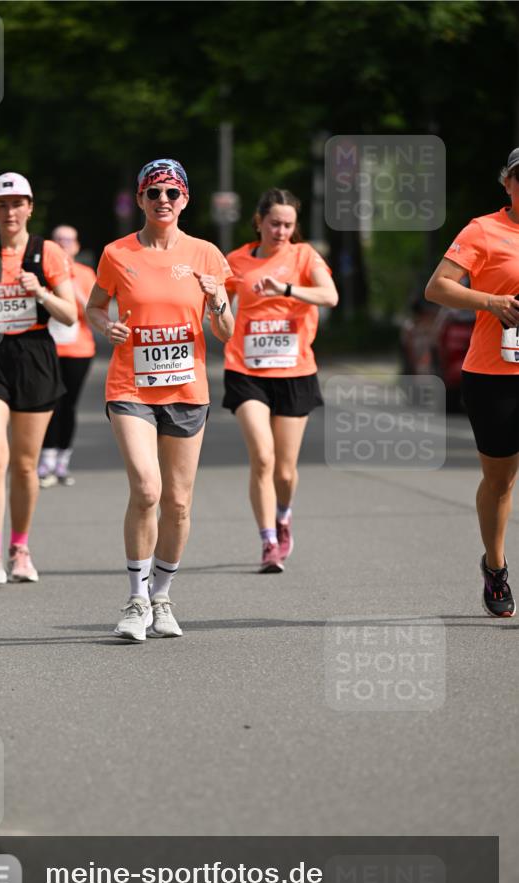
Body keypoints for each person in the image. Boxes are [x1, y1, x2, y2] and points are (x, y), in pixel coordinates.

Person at [86, 158, 234, 642]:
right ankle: (134, 599)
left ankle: (162, 597)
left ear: (185, 199)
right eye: (154, 194)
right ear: (142, 200)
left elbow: (226, 331)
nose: (163, 201)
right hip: (131, 387)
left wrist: (217, 301)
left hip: (187, 390)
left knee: (178, 502)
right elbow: (94, 306)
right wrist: (105, 325)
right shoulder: (116, 253)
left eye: (172, 193)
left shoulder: (207, 255)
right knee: (147, 489)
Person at [0, 172, 76, 585]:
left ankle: (19, 549)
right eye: (2, 204)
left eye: (17, 203)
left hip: (35, 354)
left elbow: (71, 314)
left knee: (25, 465)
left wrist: (40, 292)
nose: (10, 211)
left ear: (30, 207)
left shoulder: (49, 253)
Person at [223, 188, 338, 572]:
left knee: (285, 470)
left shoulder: (304, 256)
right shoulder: (236, 261)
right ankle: (268, 542)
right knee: (263, 457)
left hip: (294, 372)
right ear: (259, 222)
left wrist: (286, 289)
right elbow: (215, 309)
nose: (281, 231)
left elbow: (330, 295)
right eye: (274, 223)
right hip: (246, 371)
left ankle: (283, 516)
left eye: (288, 224)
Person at [425, 148, 519, 618]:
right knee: (500, 481)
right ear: (508, 184)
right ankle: (496, 565)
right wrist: (490, 301)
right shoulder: (483, 230)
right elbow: (438, 287)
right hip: (495, 375)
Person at [38, 225, 97, 487]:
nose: (63, 244)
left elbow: (93, 313)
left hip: (78, 349)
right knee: (49, 403)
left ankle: (63, 461)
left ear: (76, 246)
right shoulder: (41, 273)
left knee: (69, 404)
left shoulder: (85, 274)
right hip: (47, 347)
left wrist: (73, 289)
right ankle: (46, 461)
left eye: (68, 240)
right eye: (58, 239)